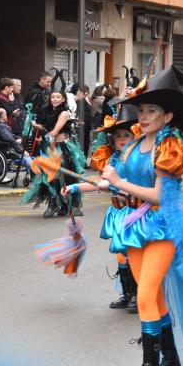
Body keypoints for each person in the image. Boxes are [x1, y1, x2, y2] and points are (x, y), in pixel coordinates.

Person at [100, 66, 183, 365]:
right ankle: (170, 357)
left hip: (163, 225)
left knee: (146, 295)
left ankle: (150, 361)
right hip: (134, 226)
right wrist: (100, 183)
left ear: (168, 116)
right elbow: (119, 181)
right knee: (154, 298)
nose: (144, 115)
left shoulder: (169, 145)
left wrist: (120, 183)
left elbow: (160, 195)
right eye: (141, 109)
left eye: (151, 110)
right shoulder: (133, 144)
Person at [63, 104, 140, 312]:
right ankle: (128, 293)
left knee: (131, 254)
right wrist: (74, 186)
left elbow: (120, 184)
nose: (122, 139)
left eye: (127, 134)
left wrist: (113, 184)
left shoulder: (138, 160)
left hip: (134, 212)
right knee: (121, 255)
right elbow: (100, 182)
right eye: (118, 136)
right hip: (117, 211)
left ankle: (139, 295)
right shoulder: (112, 159)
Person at [22, 90, 85, 218]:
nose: (55, 99)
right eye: (53, 97)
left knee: (65, 176)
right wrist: (35, 124)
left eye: (58, 97)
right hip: (51, 146)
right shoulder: (49, 112)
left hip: (63, 147)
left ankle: (68, 205)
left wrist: (44, 134)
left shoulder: (64, 113)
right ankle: (54, 202)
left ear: (63, 100)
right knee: (48, 176)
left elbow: (55, 131)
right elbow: (49, 128)